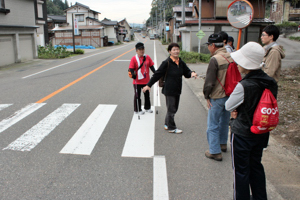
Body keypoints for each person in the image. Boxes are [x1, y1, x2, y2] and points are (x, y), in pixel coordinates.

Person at [225, 42, 278, 200]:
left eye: (239, 62)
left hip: (242, 133)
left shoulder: (244, 85)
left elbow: (229, 105)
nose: (237, 65)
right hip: (261, 132)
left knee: (240, 172)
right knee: (256, 167)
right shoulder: (270, 82)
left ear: (245, 64)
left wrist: (236, 110)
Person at [142, 43, 197, 134]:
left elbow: (187, 72)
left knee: (174, 108)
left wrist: (192, 73)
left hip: (177, 89)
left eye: (177, 49)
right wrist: (148, 85)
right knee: (171, 109)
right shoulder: (166, 63)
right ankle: (172, 127)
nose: (176, 51)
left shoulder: (180, 62)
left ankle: (167, 124)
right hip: (169, 90)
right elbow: (157, 75)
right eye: (174, 49)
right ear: (169, 51)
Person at [203, 33, 232, 161]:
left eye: (209, 45)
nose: (209, 48)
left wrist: (206, 96)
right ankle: (223, 144)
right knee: (225, 122)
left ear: (213, 45)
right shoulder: (232, 56)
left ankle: (215, 152)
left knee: (213, 124)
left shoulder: (215, 59)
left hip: (217, 96)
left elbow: (209, 82)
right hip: (230, 96)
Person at [128, 42, 156, 114]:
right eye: (140, 49)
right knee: (137, 96)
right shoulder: (134, 59)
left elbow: (151, 66)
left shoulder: (147, 57)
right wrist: (133, 75)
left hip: (146, 81)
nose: (142, 51)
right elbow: (131, 68)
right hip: (137, 81)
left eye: (143, 49)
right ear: (136, 50)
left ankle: (147, 108)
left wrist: (156, 73)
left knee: (147, 95)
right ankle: (137, 110)